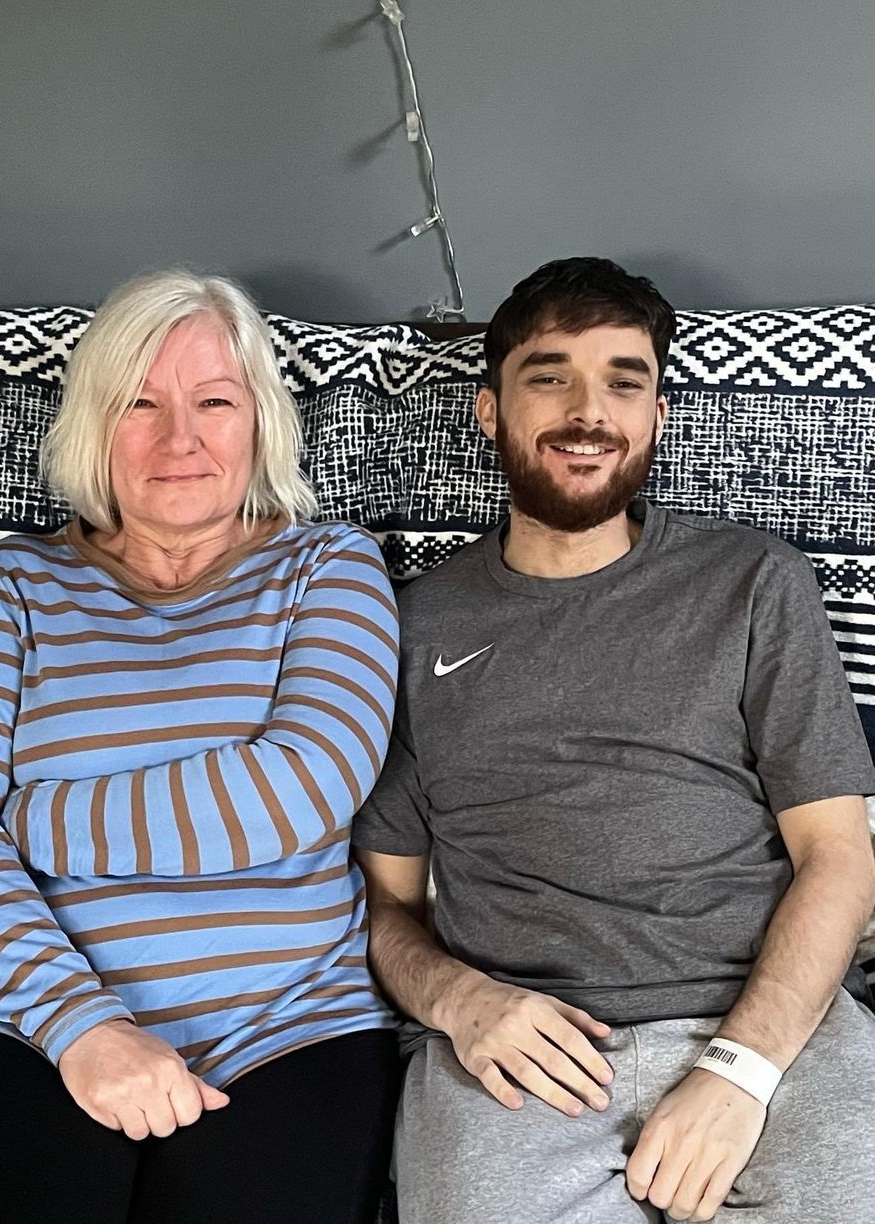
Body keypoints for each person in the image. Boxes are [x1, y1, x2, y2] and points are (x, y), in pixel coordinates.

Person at [353, 257, 875, 1224]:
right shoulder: (405, 626)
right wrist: (460, 1003)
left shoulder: (755, 582)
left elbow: (840, 855)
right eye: (549, 376)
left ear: (657, 416)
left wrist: (739, 1071)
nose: (588, 411)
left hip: (772, 1034)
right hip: (517, 1056)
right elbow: (386, 905)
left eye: (623, 381)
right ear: (489, 411)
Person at [0, 270, 401, 1224]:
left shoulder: (330, 568)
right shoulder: (8, 587)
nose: (181, 439)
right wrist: (83, 1029)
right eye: (141, 404)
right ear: (93, 424)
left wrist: (31, 816)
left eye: (214, 400)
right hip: (11, 1017)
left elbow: (302, 788)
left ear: (259, 420)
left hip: (287, 1027)